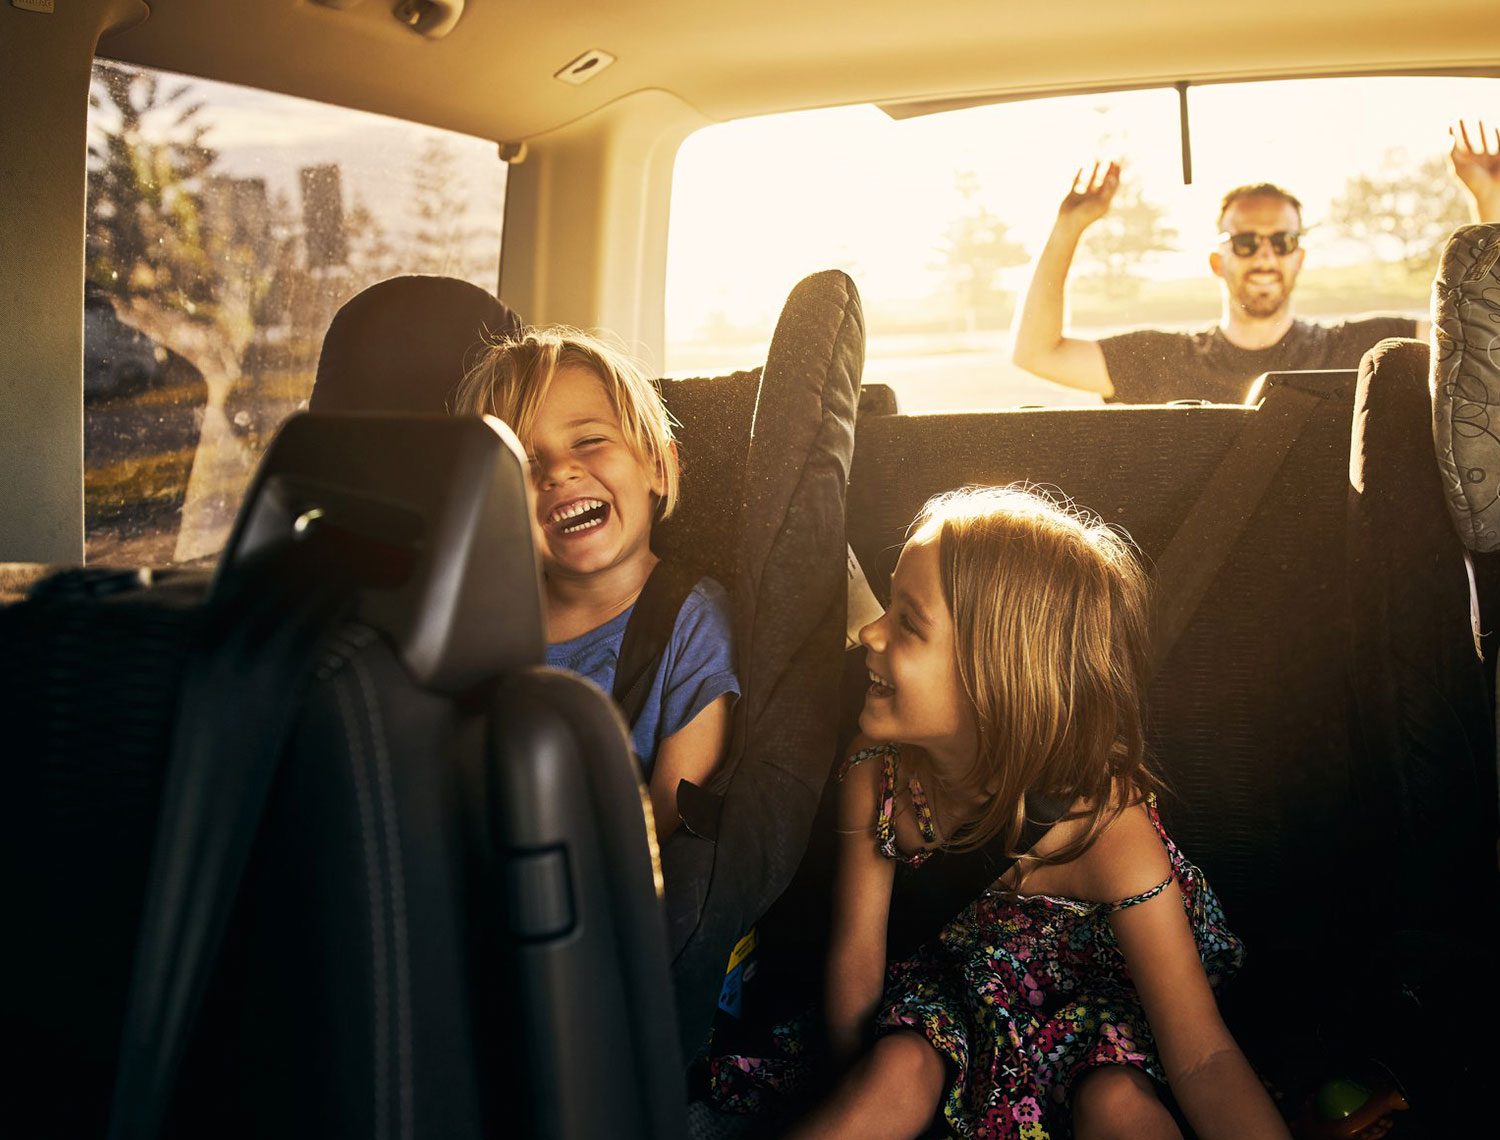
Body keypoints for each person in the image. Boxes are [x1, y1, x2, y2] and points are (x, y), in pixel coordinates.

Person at [788, 485, 1288, 1140]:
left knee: (1114, 1100)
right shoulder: (877, 774)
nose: (871, 632)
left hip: (1100, 1012)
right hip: (958, 1001)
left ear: (996, 680)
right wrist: (852, 1085)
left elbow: (1203, 1055)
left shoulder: (1108, 827)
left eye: (909, 623)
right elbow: (858, 965)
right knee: (896, 1067)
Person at [453, 327, 739, 841]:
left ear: (657, 464)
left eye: (588, 441)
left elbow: (672, 814)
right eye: (522, 461)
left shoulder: (691, 621)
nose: (559, 471)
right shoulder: (478, 621)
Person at [1011, 119, 1500, 403]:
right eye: (1245, 242)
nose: (1265, 253)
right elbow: (1037, 352)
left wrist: (1489, 201)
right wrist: (1068, 227)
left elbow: (1485, 338)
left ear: (1300, 258)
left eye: (1282, 241)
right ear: (1216, 261)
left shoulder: (1370, 348)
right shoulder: (1159, 361)